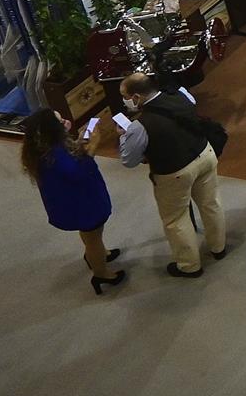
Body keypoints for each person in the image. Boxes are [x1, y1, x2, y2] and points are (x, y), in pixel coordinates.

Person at [117, 72, 228, 277]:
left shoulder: (140, 125)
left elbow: (129, 160)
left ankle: (189, 265)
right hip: (204, 153)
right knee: (211, 203)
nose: (125, 102)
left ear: (136, 98)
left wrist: (124, 136)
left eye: (125, 97)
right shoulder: (181, 95)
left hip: (174, 171)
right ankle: (218, 247)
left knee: (176, 219)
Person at [22, 108, 125, 294]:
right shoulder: (55, 155)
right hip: (80, 203)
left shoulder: (43, 148)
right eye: (61, 122)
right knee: (93, 234)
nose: (66, 122)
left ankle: (99, 254)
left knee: (91, 234)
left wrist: (79, 144)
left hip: (72, 200)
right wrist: (92, 147)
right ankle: (101, 273)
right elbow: (79, 173)